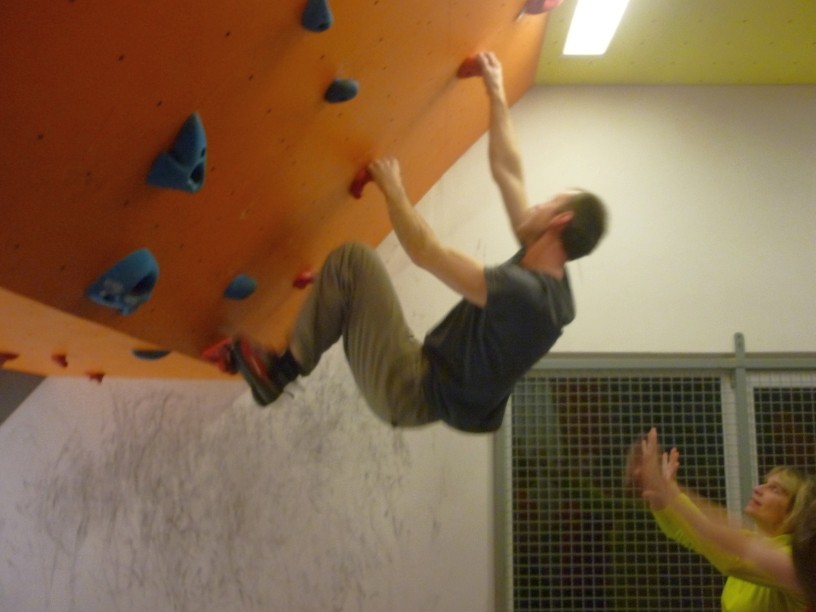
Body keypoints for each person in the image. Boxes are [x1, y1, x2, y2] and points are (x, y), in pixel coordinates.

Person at [218, 51, 607, 432]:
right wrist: (496, 91)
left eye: (550, 201)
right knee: (350, 275)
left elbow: (427, 253)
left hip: (409, 390)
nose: (537, 203)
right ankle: (330, 298)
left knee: (353, 260)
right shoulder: (547, 270)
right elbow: (509, 172)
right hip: (420, 366)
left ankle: (280, 372)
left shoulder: (528, 295)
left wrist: (393, 188)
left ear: (561, 220)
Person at [634, 427, 816, 611]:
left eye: (775, 489)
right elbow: (686, 533)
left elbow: (732, 559)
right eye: (765, 483)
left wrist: (672, 492)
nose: (758, 489)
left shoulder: (798, 560)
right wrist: (659, 499)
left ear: (794, 510)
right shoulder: (751, 540)